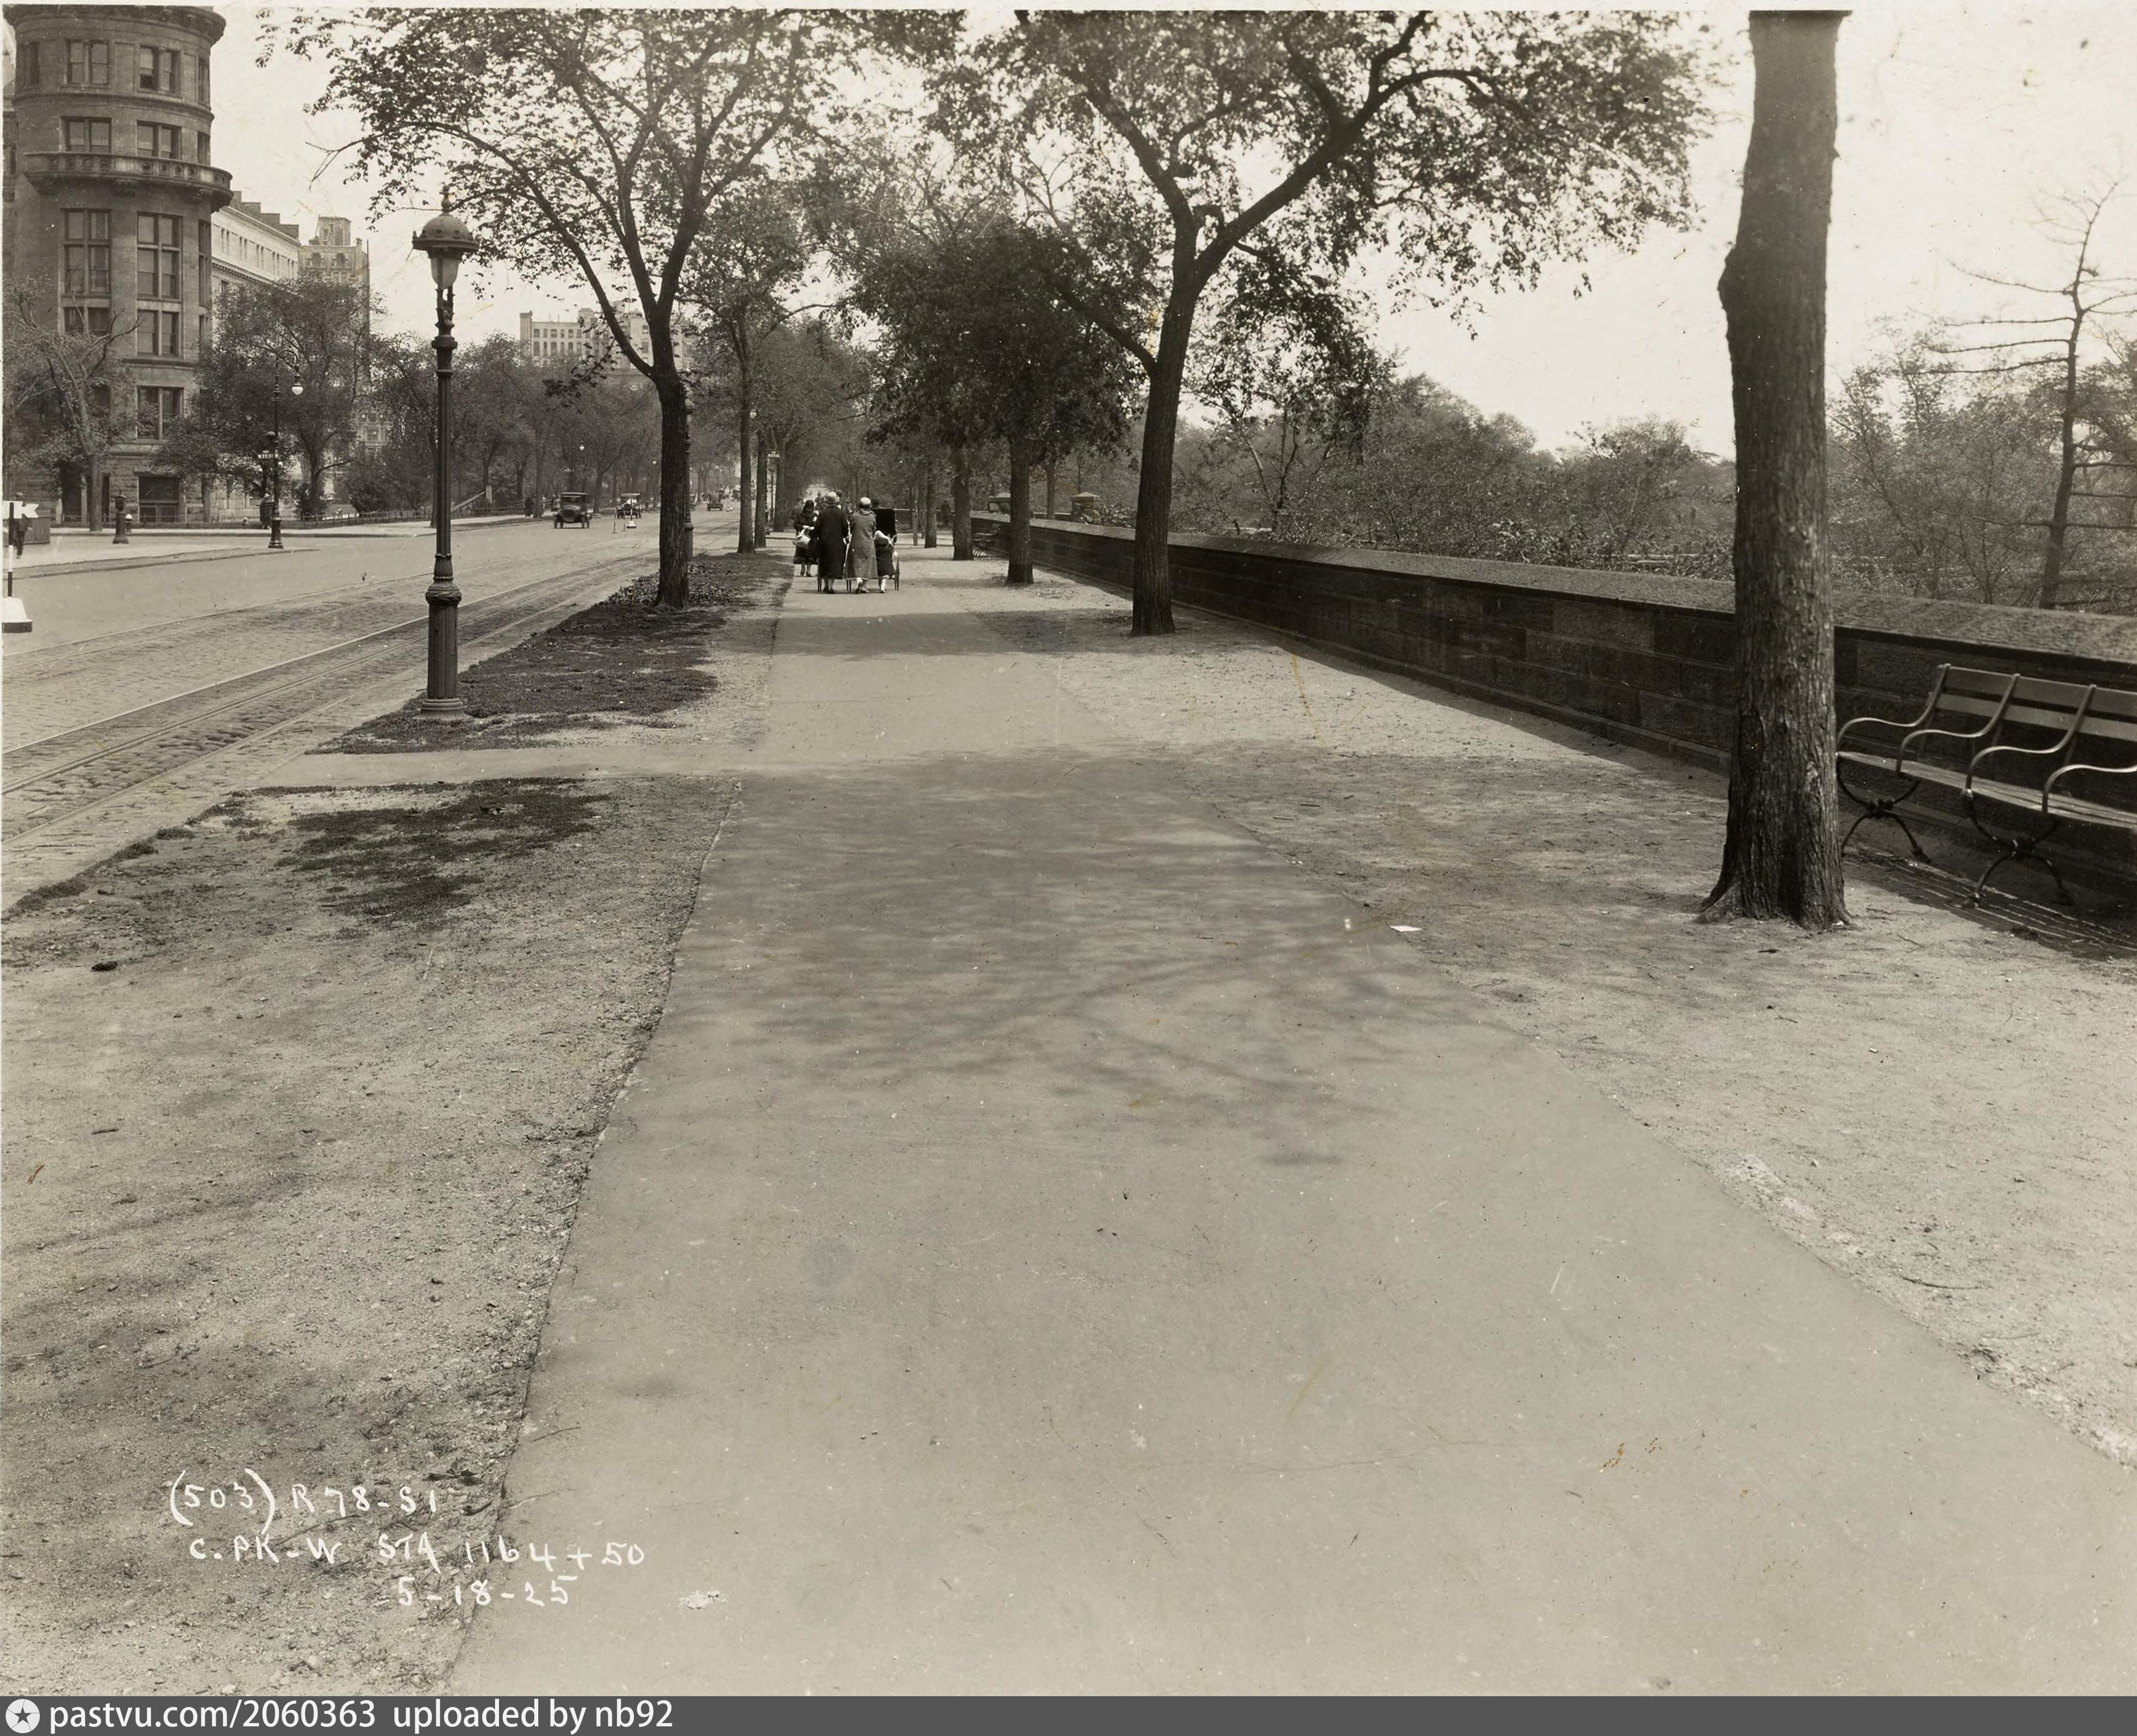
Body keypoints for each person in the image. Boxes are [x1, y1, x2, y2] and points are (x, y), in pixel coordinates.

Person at [813, 492, 849, 596]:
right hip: (837, 542)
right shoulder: (841, 513)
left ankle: (826, 585)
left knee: (825, 562)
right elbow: (845, 527)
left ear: (827, 501)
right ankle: (830, 586)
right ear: (836, 501)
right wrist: (845, 536)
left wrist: (817, 535)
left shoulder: (823, 513)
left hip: (824, 542)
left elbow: (817, 527)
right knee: (834, 563)